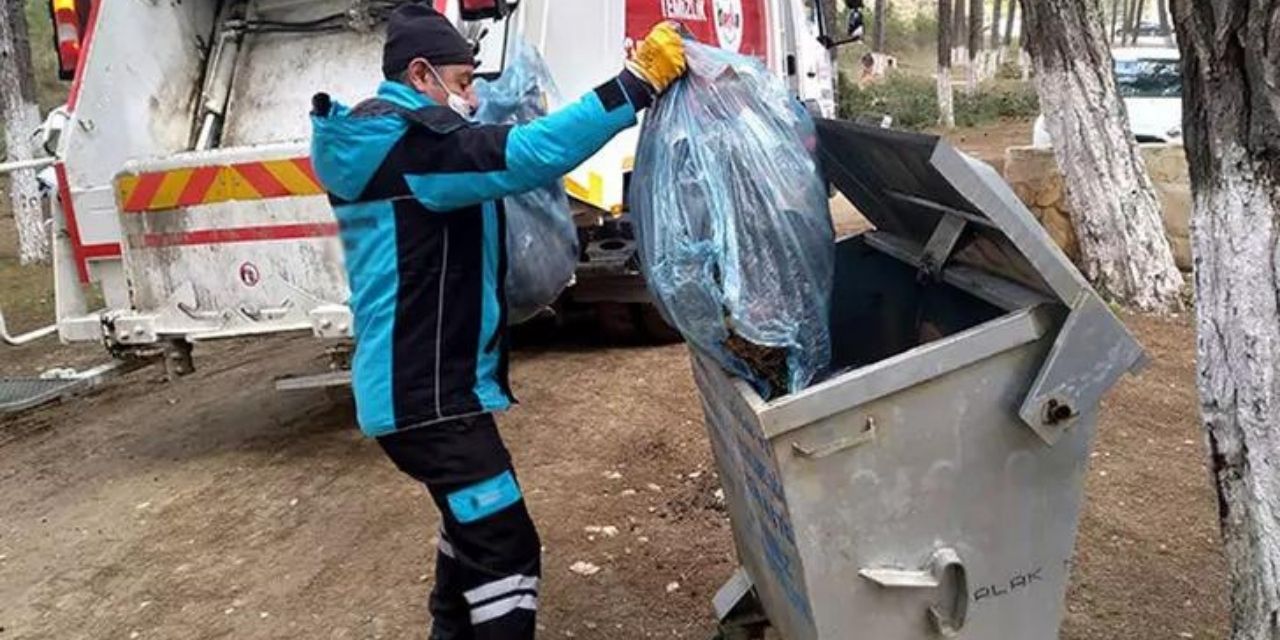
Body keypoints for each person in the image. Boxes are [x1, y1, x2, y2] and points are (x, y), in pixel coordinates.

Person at [308, 4, 686, 639]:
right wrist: (635, 85)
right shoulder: (408, 148)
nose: (473, 97)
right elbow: (530, 152)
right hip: (427, 401)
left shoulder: (386, 142)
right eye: (463, 82)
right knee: (507, 551)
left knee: (470, 538)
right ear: (421, 73)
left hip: (422, 392)